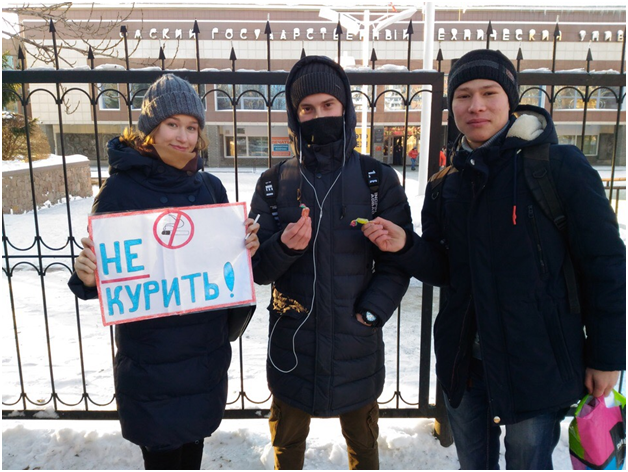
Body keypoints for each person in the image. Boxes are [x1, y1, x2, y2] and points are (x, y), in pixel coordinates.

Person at [361, 49, 626, 469]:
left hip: (535, 364)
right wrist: (406, 246)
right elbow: (445, 269)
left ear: (510, 99)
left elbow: (605, 263)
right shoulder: (445, 183)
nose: (476, 106)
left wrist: (607, 357)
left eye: (489, 93)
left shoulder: (557, 167)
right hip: (465, 366)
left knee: (527, 463)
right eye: (463, 95)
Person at [68, 74, 260, 470]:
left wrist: (244, 248)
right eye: (172, 124)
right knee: (163, 456)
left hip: (203, 356)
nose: (183, 137)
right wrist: (88, 276)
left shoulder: (211, 188)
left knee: (193, 449)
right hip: (152, 362)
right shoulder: (119, 192)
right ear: (151, 129)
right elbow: (106, 273)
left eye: (192, 127)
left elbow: (222, 265)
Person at [249, 55, 412, 470]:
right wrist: (283, 248)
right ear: (294, 115)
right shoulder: (273, 183)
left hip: (356, 344)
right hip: (293, 346)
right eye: (307, 108)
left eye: (328, 105)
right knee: (287, 447)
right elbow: (257, 270)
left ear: (345, 108)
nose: (318, 116)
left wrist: (372, 312)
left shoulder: (377, 179)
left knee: (363, 447)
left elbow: (397, 263)